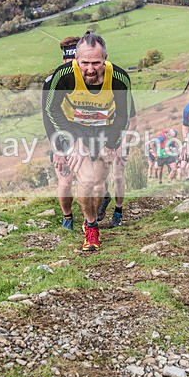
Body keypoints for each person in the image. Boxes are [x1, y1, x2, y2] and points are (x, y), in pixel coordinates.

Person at [43, 32, 132, 252]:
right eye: (85, 63)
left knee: (100, 182)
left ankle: (90, 217)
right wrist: (69, 140)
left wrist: (112, 144)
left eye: (96, 63)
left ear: (105, 58)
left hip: (105, 130)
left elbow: (123, 115)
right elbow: (51, 109)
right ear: (76, 60)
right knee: (88, 180)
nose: (90, 69)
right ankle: (91, 226)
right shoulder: (63, 76)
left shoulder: (119, 78)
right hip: (75, 129)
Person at [42, 36, 82, 230]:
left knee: (91, 179)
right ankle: (67, 217)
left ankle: (93, 213)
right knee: (65, 182)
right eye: (68, 62)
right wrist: (57, 149)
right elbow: (47, 117)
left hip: (86, 135)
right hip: (62, 138)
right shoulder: (52, 81)